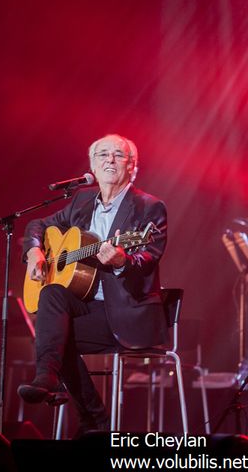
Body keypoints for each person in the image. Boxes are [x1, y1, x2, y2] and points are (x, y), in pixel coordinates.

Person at [17, 133, 168, 436]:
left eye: (119, 155)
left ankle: (86, 412)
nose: (110, 160)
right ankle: (59, 387)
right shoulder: (82, 201)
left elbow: (149, 255)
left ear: (132, 167)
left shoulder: (149, 207)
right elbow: (37, 225)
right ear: (92, 167)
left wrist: (122, 260)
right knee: (51, 294)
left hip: (127, 313)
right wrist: (34, 250)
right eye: (103, 155)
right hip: (87, 309)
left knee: (55, 340)